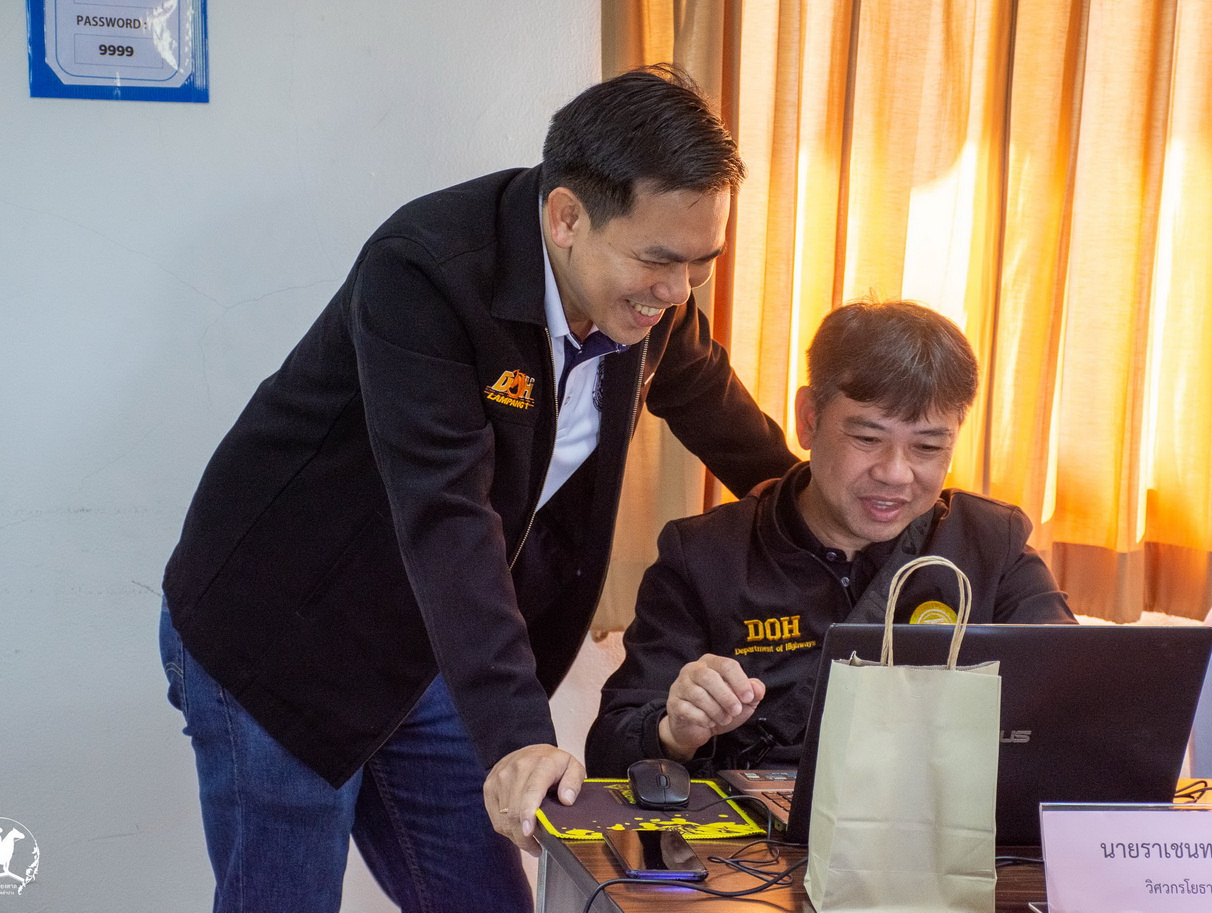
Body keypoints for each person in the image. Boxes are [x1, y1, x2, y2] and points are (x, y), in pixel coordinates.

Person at [158, 65, 797, 913]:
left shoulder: (648, 301)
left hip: (432, 641)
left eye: (699, 264)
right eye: (657, 260)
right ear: (566, 217)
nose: (677, 291)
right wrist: (519, 736)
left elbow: (725, 420)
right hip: (285, 632)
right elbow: (447, 513)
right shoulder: (426, 271)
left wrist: (837, 511)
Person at [585, 298, 1076, 778]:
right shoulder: (707, 556)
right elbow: (610, 749)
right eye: (867, 439)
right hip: (753, 827)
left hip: (935, 820)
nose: (895, 473)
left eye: (928, 447)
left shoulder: (990, 545)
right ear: (809, 419)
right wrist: (676, 732)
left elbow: (1078, 697)